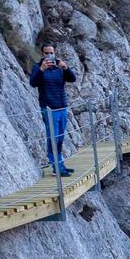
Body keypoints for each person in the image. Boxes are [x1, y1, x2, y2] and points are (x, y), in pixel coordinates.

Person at [27, 43, 76, 175]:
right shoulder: (38, 67)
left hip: (62, 108)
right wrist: (41, 70)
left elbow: (72, 79)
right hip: (49, 109)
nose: (49, 55)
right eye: (47, 53)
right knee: (53, 138)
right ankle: (56, 167)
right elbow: (33, 83)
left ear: (55, 53)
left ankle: (60, 165)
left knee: (60, 138)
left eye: (51, 52)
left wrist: (65, 68)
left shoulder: (59, 68)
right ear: (42, 54)